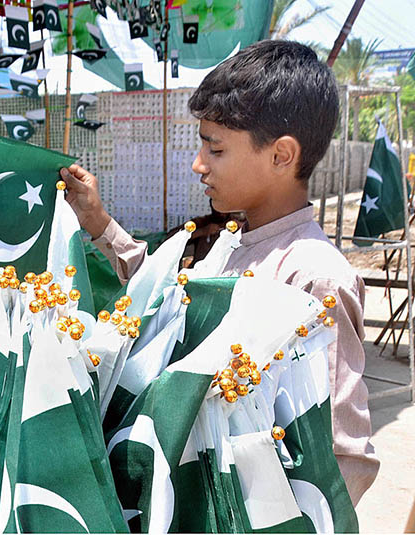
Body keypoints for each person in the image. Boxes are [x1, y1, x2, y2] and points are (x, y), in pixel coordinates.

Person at [60, 40, 379, 505]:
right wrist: (100, 224)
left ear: (281, 155)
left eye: (216, 148)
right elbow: (172, 301)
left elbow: (345, 458)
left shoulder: (315, 279)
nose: (198, 164)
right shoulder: (234, 244)